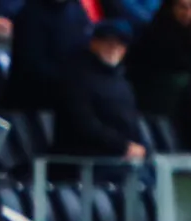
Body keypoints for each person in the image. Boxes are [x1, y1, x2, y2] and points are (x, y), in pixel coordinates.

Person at [57, 22, 150, 162]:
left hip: (121, 157)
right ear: (94, 44)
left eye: (120, 44)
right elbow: (85, 125)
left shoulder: (122, 81)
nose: (114, 48)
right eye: (108, 42)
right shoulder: (77, 79)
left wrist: (141, 147)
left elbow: (131, 122)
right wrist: (123, 147)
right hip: (86, 160)